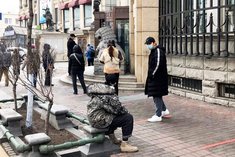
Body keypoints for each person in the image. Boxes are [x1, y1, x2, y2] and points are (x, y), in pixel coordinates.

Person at [86, 83, 138, 153]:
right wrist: (126, 112)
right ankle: (124, 145)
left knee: (112, 117)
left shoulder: (96, 96)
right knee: (128, 118)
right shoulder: (105, 97)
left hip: (93, 120)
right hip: (100, 121)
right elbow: (118, 109)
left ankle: (113, 138)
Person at [144, 37, 170, 122]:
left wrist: (152, 74)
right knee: (156, 94)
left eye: (149, 44)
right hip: (156, 77)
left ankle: (158, 115)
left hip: (158, 78)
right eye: (147, 44)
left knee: (156, 95)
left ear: (153, 43)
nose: (148, 45)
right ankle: (164, 110)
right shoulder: (154, 51)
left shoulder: (158, 51)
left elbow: (158, 64)